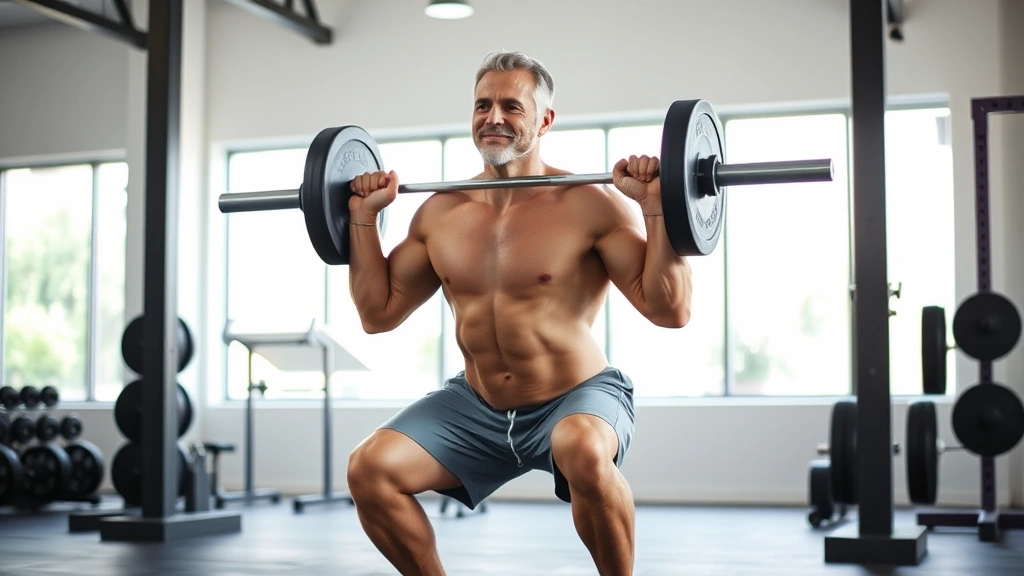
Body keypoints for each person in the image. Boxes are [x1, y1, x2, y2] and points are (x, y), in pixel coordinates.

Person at [344, 50, 692, 576]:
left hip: (576, 398)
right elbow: (378, 313)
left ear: (545, 120)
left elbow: (670, 309)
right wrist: (363, 221)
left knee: (582, 450)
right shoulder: (439, 212)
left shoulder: (588, 203)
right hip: (477, 405)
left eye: (513, 105)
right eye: (483, 105)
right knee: (369, 470)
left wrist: (656, 207)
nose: (494, 118)